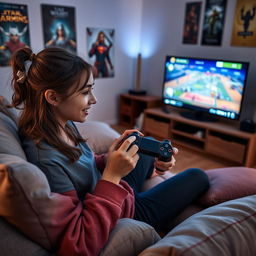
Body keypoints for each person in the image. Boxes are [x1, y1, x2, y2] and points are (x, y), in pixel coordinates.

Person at [10, 47, 209, 256]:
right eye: (85, 92)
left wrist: (110, 157)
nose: (93, 99)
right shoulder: (46, 160)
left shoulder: (61, 124)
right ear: (53, 97)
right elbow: (80, 242)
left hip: (114, 189)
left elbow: (85, 164)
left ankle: (154, 168)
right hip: (124, 211)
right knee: (197, 176)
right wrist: (113, 173)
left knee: (138, 141)